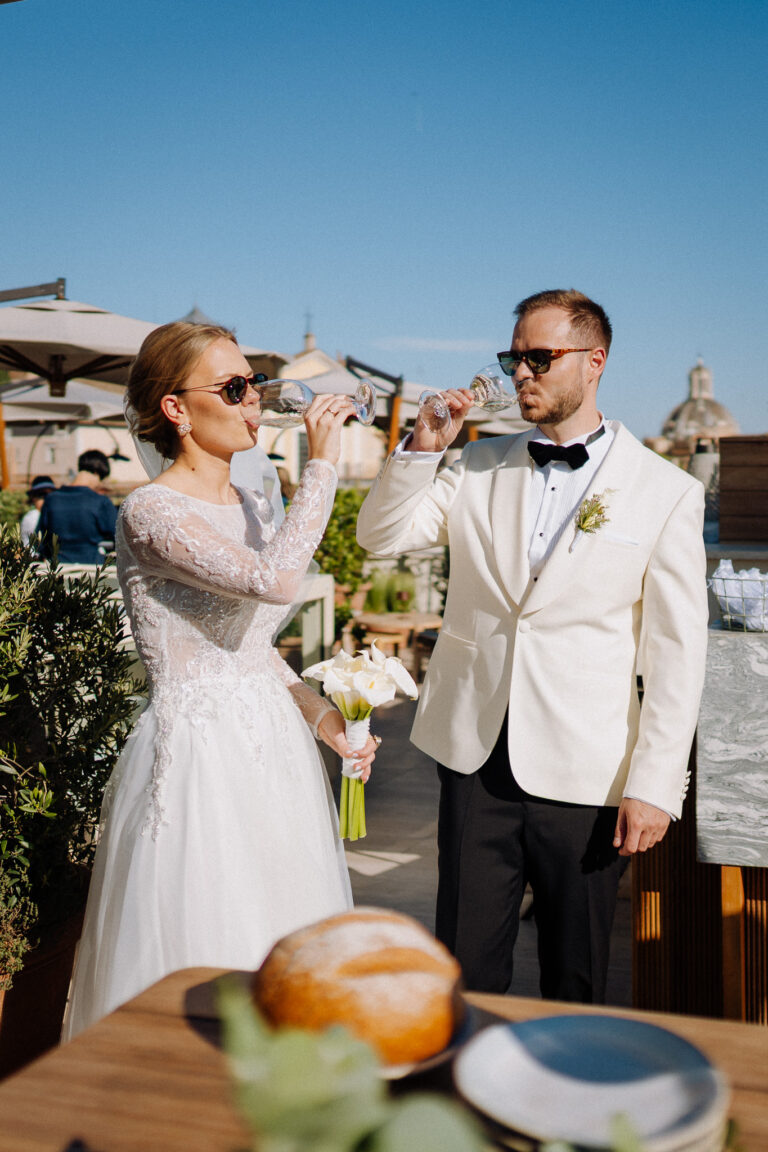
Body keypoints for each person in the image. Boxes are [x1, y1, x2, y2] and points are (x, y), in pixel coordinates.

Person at [357, 289, 708, 1003]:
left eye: (539, 357)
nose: (521, 372)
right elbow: (380, 538)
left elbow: (675, 653)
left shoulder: (665, 491)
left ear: (594, 361)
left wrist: (655, 786)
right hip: (473, 757)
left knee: (573, 974)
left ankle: (560, 1109)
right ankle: (459, 1101)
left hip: (589, 771)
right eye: (513, 357)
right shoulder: (476, 463)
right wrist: (426, 449)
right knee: (464, 966)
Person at [62, 322, 377, 1039]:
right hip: (200, 765)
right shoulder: (150, 513)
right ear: (176, 408)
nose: (253, 403)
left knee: (286, 949)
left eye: (254, 385)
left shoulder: (255, 507)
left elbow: (252, 648)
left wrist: (324, 719)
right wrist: (323, 465)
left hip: (275, 758)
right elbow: (276, 581)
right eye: (234, 388)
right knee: (207, 948)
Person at [38, 450, 118, 563]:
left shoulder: (51, 499)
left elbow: (41, 539)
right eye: (101, 480)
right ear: (96, 473)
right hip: (91, 569)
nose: (99, 485)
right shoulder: (100, 501)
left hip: (58, 568)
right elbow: (119, 536)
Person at [19, 475, 56, 546]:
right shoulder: (33, 516)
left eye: (50, 494)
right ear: (32, 498)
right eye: (41, 495)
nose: (46, 499)